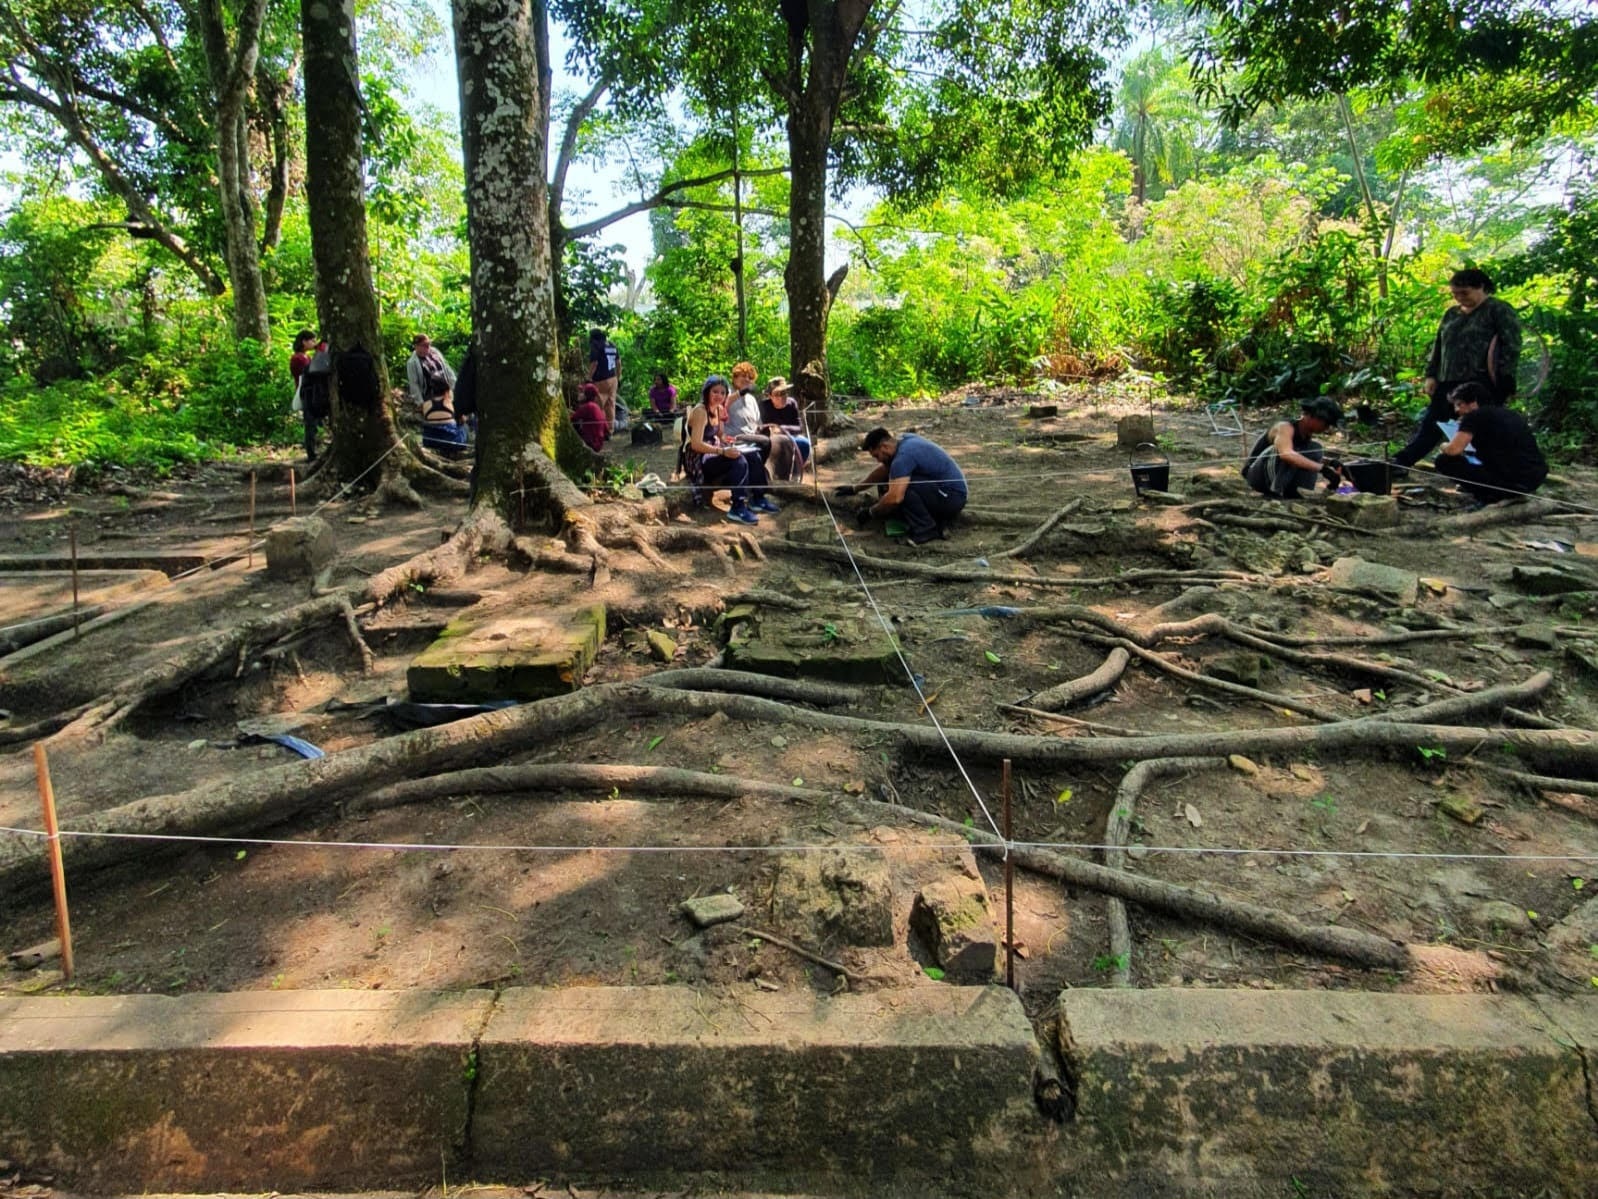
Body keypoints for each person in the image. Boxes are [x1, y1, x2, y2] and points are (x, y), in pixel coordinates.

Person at [1394, 268, 1522, 469]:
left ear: (1480, 287)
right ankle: (1401, 462)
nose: (1460, 298)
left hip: (1481, 383)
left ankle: (1490, 473)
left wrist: (1506, 378)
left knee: (1483, 430)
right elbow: (1439, 344)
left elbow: (1511, 345)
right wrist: (1431, 374)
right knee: (1432, 423)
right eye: (1456, 294)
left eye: (1465, 293)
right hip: (1448, 380)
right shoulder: (1451, 314)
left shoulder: (1498, 309)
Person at [836, 427, 967, 545]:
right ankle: (931, 520)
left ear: (884, 446)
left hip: (952, 497)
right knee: (891, 481)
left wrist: (870, 512)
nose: (877, 460)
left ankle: (926, 529)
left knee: (902, 490)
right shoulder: (902, 441)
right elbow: (884, 471)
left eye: (877, 455)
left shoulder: (903, 457)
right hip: (940, 490)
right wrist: (855, 489)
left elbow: (895, 497)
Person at [679, 374, 778, 525]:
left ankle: (758, 498)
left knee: (753, 455)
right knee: (738, 460)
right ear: (707, 392)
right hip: (699, 458)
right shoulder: (700, 411)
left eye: (722, 392)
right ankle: (737, 507)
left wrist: (727, 439)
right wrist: (723, 452)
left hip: (714, 449)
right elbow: (696, 445)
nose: (719, 396)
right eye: (715, 392)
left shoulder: (719, 409)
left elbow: (719, 434)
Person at [1433, 382, 1547, 506]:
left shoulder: (1473, 417)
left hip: (1510, 481)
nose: (1457, 410)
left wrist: (1443, 446)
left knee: (1444, 461)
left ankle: (1489, 498)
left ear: (1473, 402)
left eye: (1459, 404)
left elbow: (1454, 450)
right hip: (1533, 478)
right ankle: (1502, 492)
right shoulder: (1509, 414)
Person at [1242, 396, 1345, 500]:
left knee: (1315, 449)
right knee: (1289, 455)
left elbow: (1304, 456)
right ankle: (1275, 492)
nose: (1326, 428)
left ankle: (1295, 492)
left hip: (1278, 465)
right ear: (1313, 417)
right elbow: (1287, 454)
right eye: (1326, 424)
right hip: (1256, 477)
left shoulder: (1305, 433)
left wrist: (1330, 463)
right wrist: (1322, 469)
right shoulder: (1285, 427)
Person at [408, 334, 466, 455]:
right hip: (430, 393)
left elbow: (447, 368)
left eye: (429, 345)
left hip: (445, 390)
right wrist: (420, 403)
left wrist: (455, 387)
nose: (428, 348)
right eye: (424, 346)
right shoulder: (412, 362)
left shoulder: (435, 352)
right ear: (416, 346)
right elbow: (414, 385)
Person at [758, 375, 810, 483]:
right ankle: (769, 476)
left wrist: (782, 429)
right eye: (777, 394)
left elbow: (799, 427)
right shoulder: (763, 406)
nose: (781, 397)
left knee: (805, 443)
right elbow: (759, 427)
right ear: (770, 396)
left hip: (790, 437)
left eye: (784, 393)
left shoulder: (791, 403)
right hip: (770, 439)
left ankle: (796, 472)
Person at [289, 330, 318, 462]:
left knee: (314, 423)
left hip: (312, 392)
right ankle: (311, 454)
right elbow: (309, 372)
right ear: (304, 342)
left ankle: (313, 451)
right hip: (307, 392)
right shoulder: (298, 359)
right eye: (311, 340)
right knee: (310, 423)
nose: (314, 343)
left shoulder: (306, 357)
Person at [587, 328, 620, 432]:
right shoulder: (612, 345)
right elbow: (618, 362)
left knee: (598, 405)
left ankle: (600, 430)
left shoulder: (596, 345)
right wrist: (618, 377)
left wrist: (588, 377)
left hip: (601, 380)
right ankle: (610, 430)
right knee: (610, 405)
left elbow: (594, 363)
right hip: (613, 378)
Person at [724, 361, 763, 439]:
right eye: (744, 376)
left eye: (750, 378)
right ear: (735, 377)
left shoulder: (751, 399)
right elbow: (721, 406)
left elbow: (759, 424)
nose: (747, 379)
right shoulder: (726, 392)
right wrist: (741, 393)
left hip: (752, 441)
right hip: (733, 441)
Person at [571, 382, 610, 453]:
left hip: (591, 443)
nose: (579, 394)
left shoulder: (587, 407)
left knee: (575, 425)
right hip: (599, 444)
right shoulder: (596, 407)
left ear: (586, 395)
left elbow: (572, 419)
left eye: (582, 392)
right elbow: (606, 430)